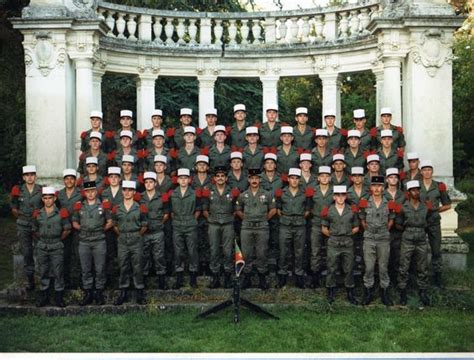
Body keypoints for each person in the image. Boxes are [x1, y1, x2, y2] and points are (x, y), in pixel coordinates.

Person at [72, 181, 112, 306]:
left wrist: (100, 230)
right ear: (84, 193)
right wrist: (83, 229)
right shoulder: (79, 206)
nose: (90, 194)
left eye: (92, 191)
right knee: (86, 268)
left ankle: (99, 292)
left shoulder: (103, 205)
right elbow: (74, 222)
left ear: (96, 192)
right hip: (84, 241)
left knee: (100, 268)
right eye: (87, 191)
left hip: (99, 240)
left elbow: (110, 221)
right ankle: (88, 293)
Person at [235, 168, 277, 290]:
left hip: (262, 228)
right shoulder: (243, 195)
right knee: (246, 253)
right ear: (248, 179)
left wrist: (263, 219)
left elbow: (273, 209)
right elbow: (238, 210)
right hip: (247, 228)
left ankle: (262, 279)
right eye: (252, 178)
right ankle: (246, 278)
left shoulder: (267, 194)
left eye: (256, 178)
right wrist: (247, 219)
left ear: (260, 180)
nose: (254, 180)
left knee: (262, 253)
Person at [359, 176, 396, 306]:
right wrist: (368, 230)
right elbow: (362, 218)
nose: (377, 188)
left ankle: (384, 292)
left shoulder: (389, 202)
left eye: (379, 186)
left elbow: (391, 218)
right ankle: (368, 292)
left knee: (383, 267)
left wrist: (385, 230)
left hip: (383, 238)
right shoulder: (364, 202)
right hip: (369, 238)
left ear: (383, 187)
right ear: (371, 188)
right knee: (369, 267)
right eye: (374, 186)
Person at [32, 186, 71, 307]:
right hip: (42, 245)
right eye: (45, 198)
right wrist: (42, 239)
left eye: (50, 198)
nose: (48, 200)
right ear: (42, 199)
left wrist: (58, 239)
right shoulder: (38, 213)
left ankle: (59, 298)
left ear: (54, 198)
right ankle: (44, 297)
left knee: (58, 271)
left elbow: (67, 229)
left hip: (56, 245)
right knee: (43, 271)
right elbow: (34, 229)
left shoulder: (61, 213)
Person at [321, 185, 359, 304]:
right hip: (333, 242)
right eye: (338, 195)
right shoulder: (328, 210)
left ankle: (350, 292)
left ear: (346, 196)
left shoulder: (351, 209)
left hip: (347, 242)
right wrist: (333, 236)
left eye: (343, 195)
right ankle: (330, 292)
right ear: (334, 197)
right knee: (331, 267)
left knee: (348, 268)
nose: (341, 197)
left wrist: (347, 234)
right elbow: (324, 228)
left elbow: (356, 227)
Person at [112, 180, 148, 305]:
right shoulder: (117, 208)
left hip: (136, 238)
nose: (127, 192)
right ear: (122, 192)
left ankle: (139, 292)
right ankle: (123, 292)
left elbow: (144, 225)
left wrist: (137, 234)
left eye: (130, 190)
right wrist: (122, 234)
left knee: (138, 266)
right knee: (123, 265)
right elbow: (115, 224)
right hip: (122, 239)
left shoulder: (140, 207)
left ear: (134, 192)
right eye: (125, 190)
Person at [275, 168, 311, 289]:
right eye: (292, 178)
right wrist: (288, 218)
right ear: (288, 179)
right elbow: (279, 210)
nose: (294, 181)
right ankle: (282, 276)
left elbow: (307, 210)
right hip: (285, 225)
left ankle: (299, 276)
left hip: (300, 225)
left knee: (299, 252)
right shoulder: (282, 192)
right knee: (283, 251)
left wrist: (298, 217)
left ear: (299, 180)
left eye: (297, 178)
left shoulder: (304, 193)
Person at [202, 166, 237, 289]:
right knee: (214, 250)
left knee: (228, 251)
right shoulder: (208, 190)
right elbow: (205, 209)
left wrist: (229, 218)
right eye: (218, 176)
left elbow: (236, 209)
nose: (220, 178)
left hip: (228, 224)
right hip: (213, 224)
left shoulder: (232, 190)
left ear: (226, 178)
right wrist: (212, 219)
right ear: (214, 178)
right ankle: (215, 278)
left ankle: (228, 278)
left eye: (222, 176)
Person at [397, 180, 431, 306]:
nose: (416, 192)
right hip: (408, 237)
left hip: (421, 238)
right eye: (413, 190)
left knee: (422, 266)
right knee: (404, 266)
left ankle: (423, 291)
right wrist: (409, 231)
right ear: (408, 193)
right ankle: (403, 291)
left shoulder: (425, 207)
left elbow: (428, 222)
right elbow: (398, 224)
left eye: (417, 190)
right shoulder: (403, 207)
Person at [419, 160, 451, 287]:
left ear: (432, 171)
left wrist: (435, 209)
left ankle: (438, 277)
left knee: (436, 250)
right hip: (420, 221)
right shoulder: (416, 185)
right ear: (421, 172)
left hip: (433, 221)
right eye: (424, 170)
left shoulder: (439, 186)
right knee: (420, 251)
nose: (427, 172)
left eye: (429, 170)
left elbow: (447, 204)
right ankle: (421, 276)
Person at [10, 165, 43, 290]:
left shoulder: (41, 190)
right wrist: (21, 218)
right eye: (27, 175)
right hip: (23, 225)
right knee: (27, 253)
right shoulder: (18, 190)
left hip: (38, 225)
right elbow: (14, 207)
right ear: (24, 177)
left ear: (35, 176)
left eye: (32, 175)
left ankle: (43, 279)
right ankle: (31, 280)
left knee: (41, 252)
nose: (30, 177)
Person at [170, 168, 201, 289]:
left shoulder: (194, 193)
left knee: (192, 251)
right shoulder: (173, 194)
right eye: (181, 178)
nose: (183, 180)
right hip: (177, 225)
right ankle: (179, 278)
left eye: (185, 178)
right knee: (178, 252)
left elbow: (198, 209)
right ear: (177, 180)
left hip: (190, 225)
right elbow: (171, 211)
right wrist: (177, 220)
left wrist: (192, 220)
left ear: (189, 180)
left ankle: (193, 278)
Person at [140, 171, 169, 290]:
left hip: (157, 231)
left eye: (151, 182)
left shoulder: (161, 197)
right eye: (146, 182)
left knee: (159, 256)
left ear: (155, 183)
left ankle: (162, 281)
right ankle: (145, 281)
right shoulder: (140, 197)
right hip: (144, 233)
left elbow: (166, 214)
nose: (148, 184)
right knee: (144, 256)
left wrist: (158, 224)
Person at [56, 169, 83, 289]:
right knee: (65, 254)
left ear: (75, 180)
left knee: (78, 254)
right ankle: (66, 280)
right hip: (64, 228)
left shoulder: (81, 193)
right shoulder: (59, 194)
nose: (69, 181)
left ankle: (79, 281)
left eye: (72, 178)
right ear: (63, 181)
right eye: (67, 179)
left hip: (77, 227)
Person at [309, 166, 333, 288]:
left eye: (327, 176)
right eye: (322, 176)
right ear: (318, 178)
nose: (324, 178)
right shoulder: (313, 191)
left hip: (330, 225)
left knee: (330, 252)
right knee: (315, 251)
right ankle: (315, 277)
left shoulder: (334, 191)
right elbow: (308, 206)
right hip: (316, 224)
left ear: (330, 178)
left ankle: (330, 277)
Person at [99, 166, 123, 286]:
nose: (113, 179)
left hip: (121, 227)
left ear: (120, 179)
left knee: (122, 253)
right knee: (109, 253)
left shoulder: (125, 191)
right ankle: (109, 278)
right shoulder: (104, 192)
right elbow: (102, 210)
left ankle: (121, 278)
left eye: (116, 177)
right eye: (111, 177)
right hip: (108, 228)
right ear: (108, 179)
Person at [384, 168, 406, 282]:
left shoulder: (402, 195)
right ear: (387, 180)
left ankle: (397, 278)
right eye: (391, 177)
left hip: (398, 227)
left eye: (395, 177)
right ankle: (386, 277)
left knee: (398, 254)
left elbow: (407, 209)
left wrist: (400, 210)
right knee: (385, 254)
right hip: (385, 227)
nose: (393, 179)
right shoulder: (382, 193)